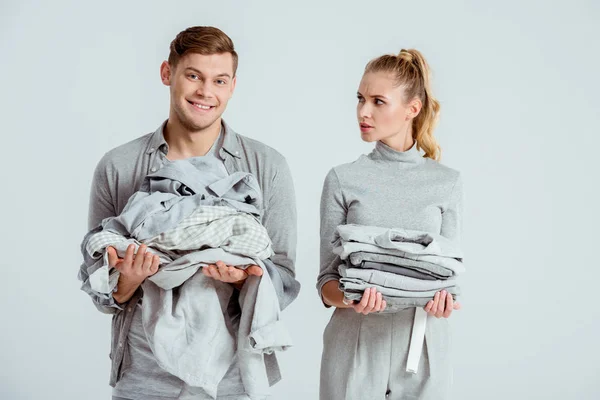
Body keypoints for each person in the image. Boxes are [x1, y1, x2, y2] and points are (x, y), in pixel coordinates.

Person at [80, 26, 299, 400]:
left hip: (231, 380)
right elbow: (97, 283)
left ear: (232, 86)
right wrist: (128, 281)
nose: (205, 92)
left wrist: (244, 278)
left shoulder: (266, 167)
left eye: (219, 80)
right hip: (142, 379)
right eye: (194, 76)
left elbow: (286, 278)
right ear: (168, 74)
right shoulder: (119, 166)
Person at [317, 49, 463, 400]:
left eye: (378, 101)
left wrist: (445, 301)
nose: (363, 112)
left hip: (424, 350)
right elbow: (325, 283)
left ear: (412, 109)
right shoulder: (342, 179)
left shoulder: (447, 182)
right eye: (360, 99)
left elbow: (449, 274)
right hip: (354, 347)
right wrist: (351, 299)